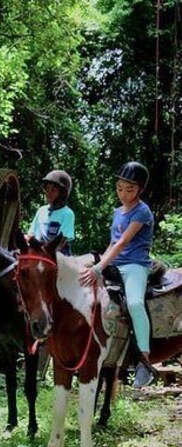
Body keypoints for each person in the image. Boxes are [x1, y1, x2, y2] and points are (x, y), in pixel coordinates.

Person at [79, 161, 157, 388]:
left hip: (134, 265)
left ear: (140, 189)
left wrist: (99, 268)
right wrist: (98, 261)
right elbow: (112, 243)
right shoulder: (117, 212)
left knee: (134, 303)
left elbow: (123, 242)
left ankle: (145, 360)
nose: (123, 194)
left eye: (130, 190)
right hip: (113, 262)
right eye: (119, 188)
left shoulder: (142, 211)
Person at [29, 170, 76, 255]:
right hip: (37, 251)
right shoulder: (41, 210)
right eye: (47, 189)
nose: (48, 193)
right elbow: (31, 235)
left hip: (57, 253)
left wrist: (44, 252)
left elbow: (61, 243)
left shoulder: (67, 213)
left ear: (62, 193)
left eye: (53, 190)